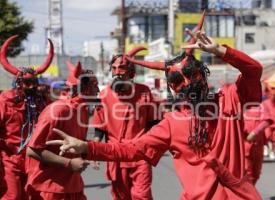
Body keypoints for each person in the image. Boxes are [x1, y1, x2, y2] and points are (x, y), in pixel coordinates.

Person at [47, 16, 263, 199]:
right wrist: (89, 147)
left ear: (202, 73)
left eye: (191, 75)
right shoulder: (171, 123)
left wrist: (221, 50)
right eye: (179, 79)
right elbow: (131, 148)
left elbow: (254, 70)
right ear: (172, 86)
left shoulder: (230, 98)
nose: (187, 83)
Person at [25, 61, 99, 200]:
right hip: (49, 188)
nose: (98, 90)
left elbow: (77, 143)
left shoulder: (82, 110)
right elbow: (32, 150)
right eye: (94, 86)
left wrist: (92, 151)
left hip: (73, 186)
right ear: (82, 88)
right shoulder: (57, 110)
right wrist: (69, 163)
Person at [92, 47, 158, 200]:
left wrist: (156, 147)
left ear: (131, 72)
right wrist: (94, 151)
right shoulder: (105, 94)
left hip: (140, 153)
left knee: (142, 195)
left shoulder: (144, 92)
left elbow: (153, 124)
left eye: (121, 67)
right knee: (120, 196)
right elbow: (99, 129)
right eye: (114, 68)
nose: (117, 72)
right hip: (115, 153)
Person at [0, 35, 54, 200]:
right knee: (13, 195)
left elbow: (54, 121)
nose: (32, 87)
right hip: (10, 158)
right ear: (18, 83)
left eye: (34, 83)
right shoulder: (4, 100)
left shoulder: (42, 101)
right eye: (27, 84)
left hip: (35, 158)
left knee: (34, 195)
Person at [243, 104, 273, 184]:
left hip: (258, 145)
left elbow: (267, 121)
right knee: (247, 173)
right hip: (243, 145)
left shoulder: (260, 106)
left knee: (256, 173)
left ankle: (251, 192)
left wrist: (255, 132)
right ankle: (250, 195)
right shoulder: (238, 105)